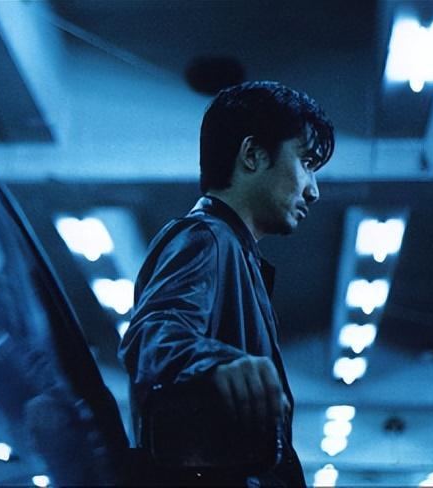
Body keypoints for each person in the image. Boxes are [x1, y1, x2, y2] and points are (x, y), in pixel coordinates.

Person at [119, 81, 334, 486]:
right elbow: (152, 335)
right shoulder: (206, 237)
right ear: (252, 155)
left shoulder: (234, 252)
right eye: (306, 162)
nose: (314, 190)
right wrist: (216, 363)